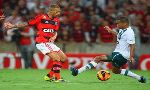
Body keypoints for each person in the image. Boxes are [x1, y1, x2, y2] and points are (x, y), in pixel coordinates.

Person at [70, 16, 146, 83]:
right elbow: (119, 36)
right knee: (116, 71)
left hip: (121, 55)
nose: (117, 25)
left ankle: (77, 72)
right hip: (118, 53)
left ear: (125, 23)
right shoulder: (124, 30)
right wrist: (111, 31)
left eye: (118, 23)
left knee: (98, 58)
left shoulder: (130, 32)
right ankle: (140, 78)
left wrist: (131, 56)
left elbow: (132, 45)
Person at [4, 4, 67, 82]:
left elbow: (55, 31)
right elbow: (27, 23)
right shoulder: (41, 17)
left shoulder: (56, 20)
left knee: (63, 58)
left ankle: (49, 76)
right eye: (57, 11)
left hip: (50, 43)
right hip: (42, 41)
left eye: (59, 11)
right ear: (51, 11)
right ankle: (58, 78)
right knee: (56, 58)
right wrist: (13, 26)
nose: (59, 13)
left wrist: (54, 36)